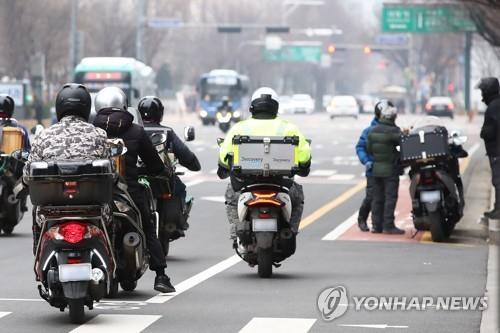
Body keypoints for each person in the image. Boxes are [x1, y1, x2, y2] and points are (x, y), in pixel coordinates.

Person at [93, 87, 175, 293]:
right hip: (129, 193)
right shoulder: (136, 131)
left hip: (97, 192)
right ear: (124, 104)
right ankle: (161, 276)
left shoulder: (91, 130)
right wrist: (161, 171)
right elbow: (155, 165)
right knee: (148, 227)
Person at [218, 87, 311, 243]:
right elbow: (304, 156)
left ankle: (236, 231)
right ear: (276, 107)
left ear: (252, 106)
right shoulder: (288, 128)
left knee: (231, 196)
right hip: (281, 182)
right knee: (298, 196)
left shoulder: (240, 127)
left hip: (244, 183)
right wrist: (303, 166)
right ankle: (291, 232)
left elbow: (224, 156)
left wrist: (224, 167)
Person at [25, 83, 110, 253]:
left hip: (50, 209)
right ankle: (111, 254)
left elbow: (28, 175)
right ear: (86, 107)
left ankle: (38, 252)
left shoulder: (44, 135)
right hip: (93, 206)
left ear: (59, 107)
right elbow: (110, 172)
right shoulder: (99, 134)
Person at [137, 95, 201, 230]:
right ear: (160, 113)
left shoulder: (133, 130)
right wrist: (193, 164)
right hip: (161, 177)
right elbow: (185, 155)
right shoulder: (167, 132)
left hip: (135, 177)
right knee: (180, 189)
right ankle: (178, 223)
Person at [366, 100, 404, 235]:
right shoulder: (394, 131)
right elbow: (403, 143)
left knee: (377, 198)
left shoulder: (372, 131)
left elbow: (369, 149)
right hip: (390, 170)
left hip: (376, 170)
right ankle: (388, 225)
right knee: (390, 198)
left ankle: (376, 226)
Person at [354, 103, 381, 231]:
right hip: (372, 170)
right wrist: (366, 161)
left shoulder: (394, 129)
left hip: (388, 170)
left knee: (387, 198)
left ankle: (382, 224)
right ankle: (362, 219)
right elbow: (360, 147)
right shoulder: (369, 131)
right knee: (371, 196)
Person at [476, 77, 500, 219]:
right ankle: (497, 207)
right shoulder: (495, 104)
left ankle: (499, 210)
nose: (481, 96)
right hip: (496, 150)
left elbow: (492, 130)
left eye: (483, 91)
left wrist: (484, 131)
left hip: (497, 151)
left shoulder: (494, 107)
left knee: (498, 180)